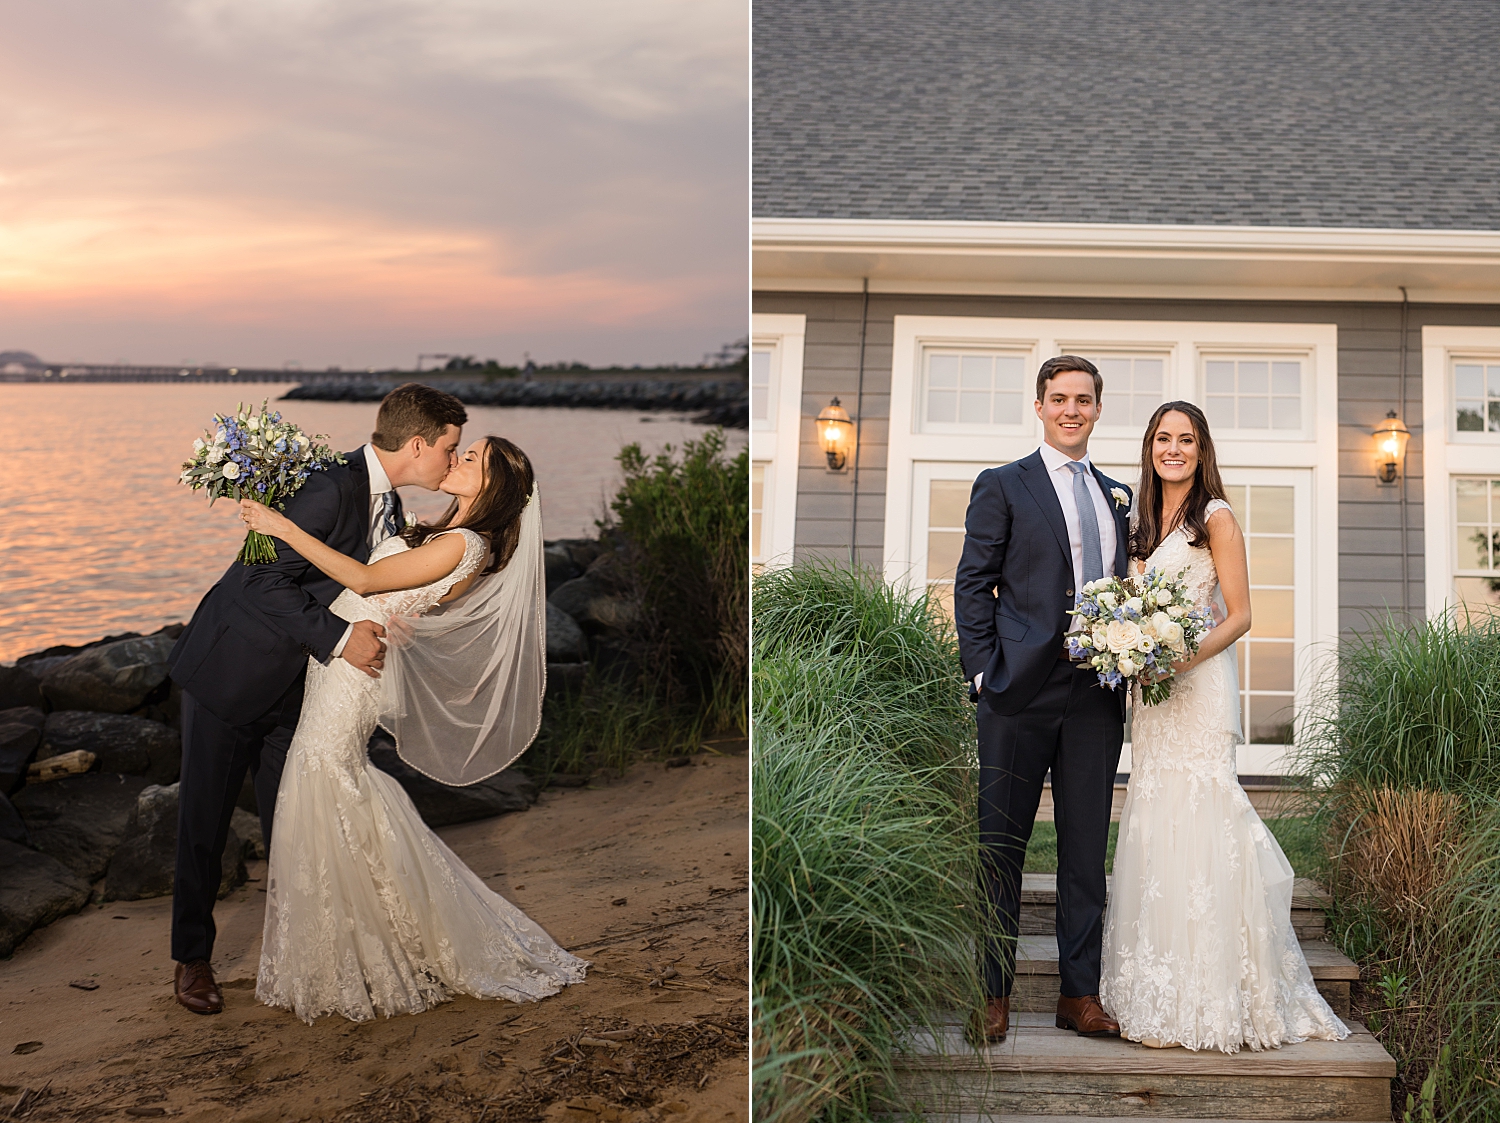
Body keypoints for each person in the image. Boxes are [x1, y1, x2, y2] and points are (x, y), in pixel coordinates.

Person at [240, 435, 586, 1023]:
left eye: (470, 458)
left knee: (324, 773)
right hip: (343, 658)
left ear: (492, 486)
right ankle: (371, 931)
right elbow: (400, 593)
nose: (457, 460)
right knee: (328, 777)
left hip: (353, 669)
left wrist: (285, 527)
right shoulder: (442, 531)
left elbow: (370, 583)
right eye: (461, 450)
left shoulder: (465, 543)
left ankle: (367, 942)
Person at [166, 383, 466, 1015]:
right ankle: (191, 959)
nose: (450, 461)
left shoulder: (390, 506)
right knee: (204, 824)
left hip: (301, 687)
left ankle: (303, 949)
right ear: (417, 444)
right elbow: (261, 580)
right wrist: (340, 639)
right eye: (449, 448)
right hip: (233, 670)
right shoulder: (331, 486)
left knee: (296, 824)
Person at [1100, 402, 1347, 1052]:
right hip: (1153, 699)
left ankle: (1216, 992)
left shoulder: (1217, 518)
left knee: (1202, 813)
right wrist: (1132, 651)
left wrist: (1176, 657)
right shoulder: (1139, 523)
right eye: (1163, 437)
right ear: (1150, 446)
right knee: (1154, 817)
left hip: (1198, 686)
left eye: (1186, 439)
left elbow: (1240, 615)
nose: (1173, 449)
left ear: (1201, 449)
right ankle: (1153, 989)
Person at [953, 355, 1133, 1044]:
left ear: (1096, 408)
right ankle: (992, 994)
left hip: (1093, 692)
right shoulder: (1003, 484)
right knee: (1000, 845)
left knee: (1085, 847)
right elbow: (974, 583)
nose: (1071, 409)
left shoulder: (1117, 493)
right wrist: (983, 675)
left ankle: (1077, 992)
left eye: (1083, 399)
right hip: (1016, 692)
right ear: (1040, 405)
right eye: (1059, 398)